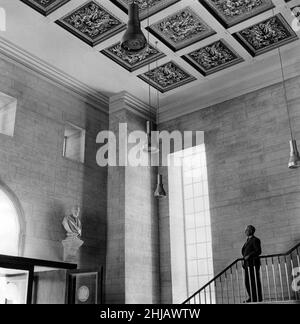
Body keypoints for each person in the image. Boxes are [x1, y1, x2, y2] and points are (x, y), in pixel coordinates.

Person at [242, 225, 262, 302]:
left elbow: (258, 251)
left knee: (254, 281)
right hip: (247, 265)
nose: (245, 231)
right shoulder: (247, 241)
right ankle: (252, 297)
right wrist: (244, 261)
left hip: (253, 264)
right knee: (248, 282)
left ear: (251, 231)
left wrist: (249, 256)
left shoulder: (255, 240)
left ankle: (257, 298)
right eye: (245, 229)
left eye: (247, 229)